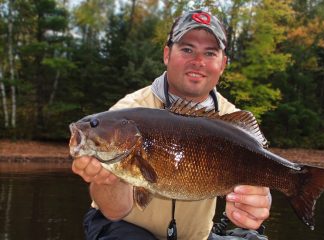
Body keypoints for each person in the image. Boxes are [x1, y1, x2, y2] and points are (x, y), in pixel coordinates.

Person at [72, 9, 271, 240]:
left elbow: (263, 169)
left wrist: (260, 201)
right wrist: (105, 180)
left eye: (209, 53)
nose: (198, 62)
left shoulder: (231, 120)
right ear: (167, 54)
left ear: (223, 64)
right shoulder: (127, 111)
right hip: (120, 227)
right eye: (187, 49)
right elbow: (115, 211)